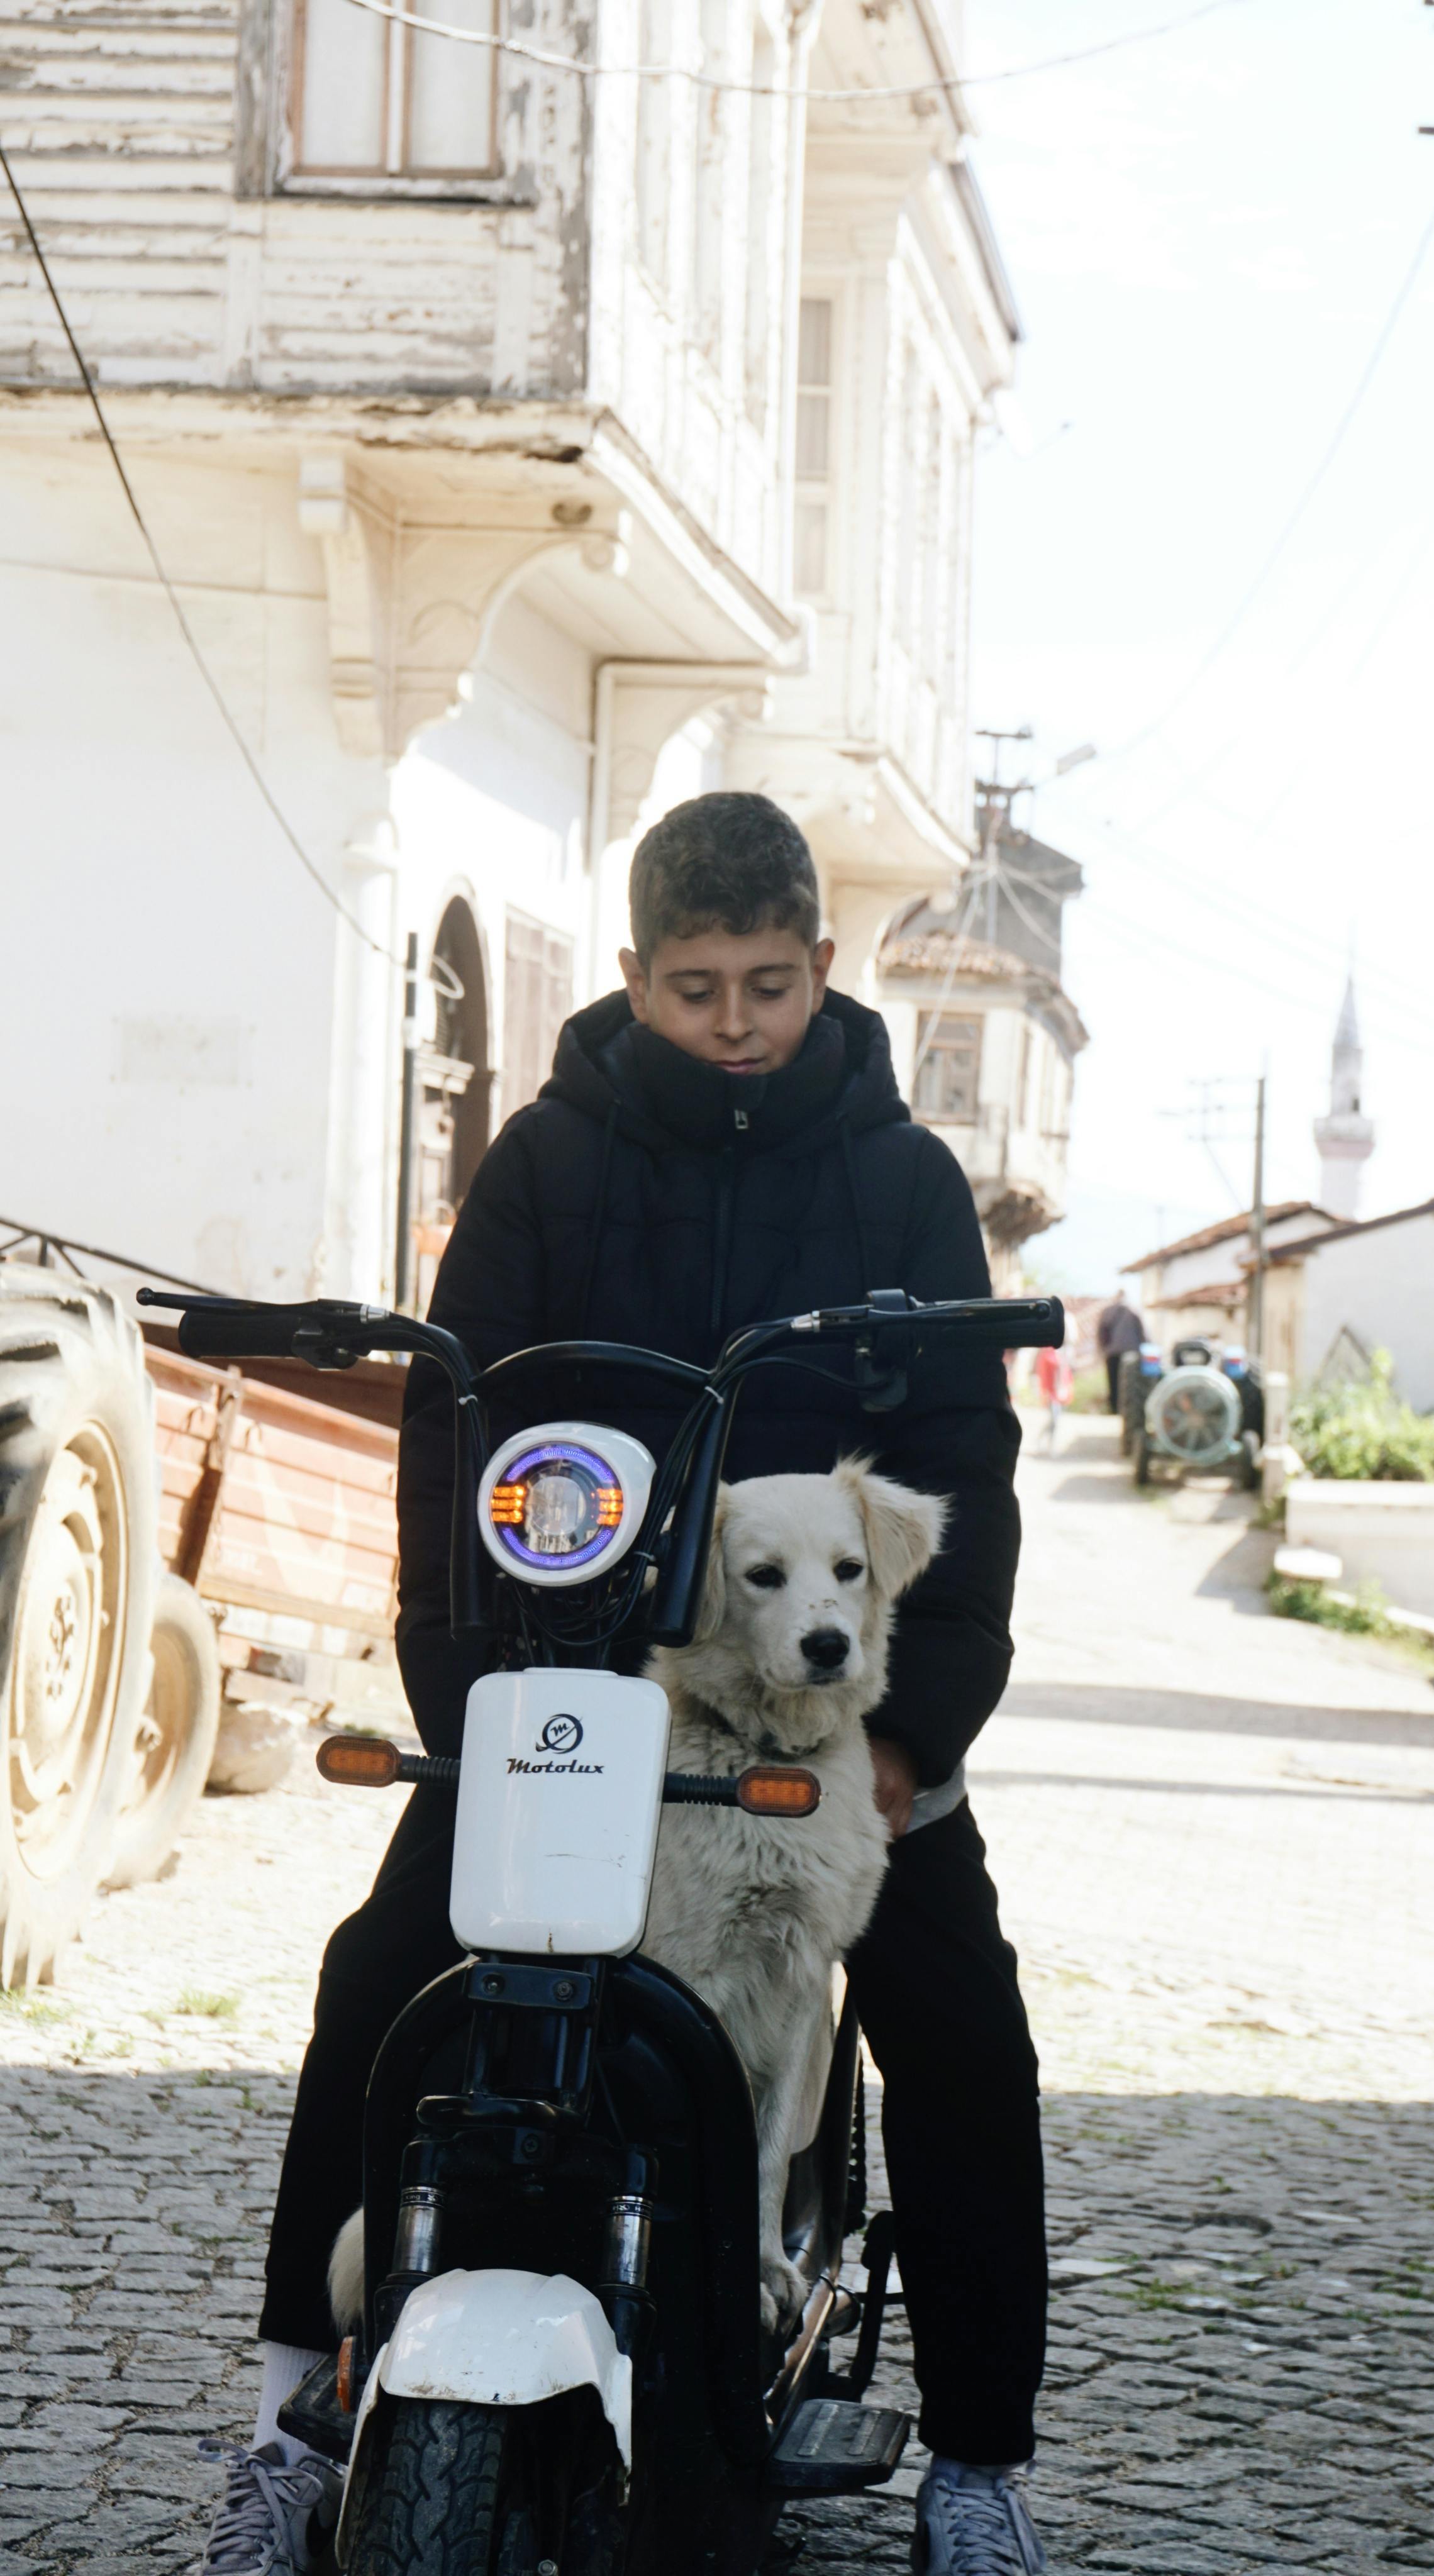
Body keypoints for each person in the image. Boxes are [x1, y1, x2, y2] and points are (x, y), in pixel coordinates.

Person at [199, 792, 1049, 2576]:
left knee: (956, 2017)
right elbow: (453, 1435)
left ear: (822, 966)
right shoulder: (545, 1160)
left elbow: (965, 1468)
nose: (732, 1020)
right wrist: (465, 1701)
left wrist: (910, 1736)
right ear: (633, 978)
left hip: (818, 1719)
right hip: (568, 1698)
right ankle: (291, 2404)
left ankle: (975, 2470)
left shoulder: (901, 1180)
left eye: (764, 983)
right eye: (692, 988)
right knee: (382, 1980)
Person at [1094, 1289, 1144, 1414]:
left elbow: (1101, 1333)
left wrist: (1102, 1350)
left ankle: (1115, 1409)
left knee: (1113, 1382)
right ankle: (1128, 1410)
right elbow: (1142, 1333)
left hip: (1112, 1352)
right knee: (1130, 1384)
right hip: (1131, 1353)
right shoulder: (1133, 1311)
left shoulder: (1107, 1312)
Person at [1033, 1341, 1073, 1455]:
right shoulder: (1046, 1354)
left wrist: (1067, 1389)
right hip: (1051, 1393)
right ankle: (1048, 1445)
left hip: (1060, 1392)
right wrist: (1045, 1392)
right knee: (1054, 1419)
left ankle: (1043, 1442)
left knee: (1054, 1420)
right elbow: (1043, 1374)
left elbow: (1066, 1373)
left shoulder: (1061, 1354)